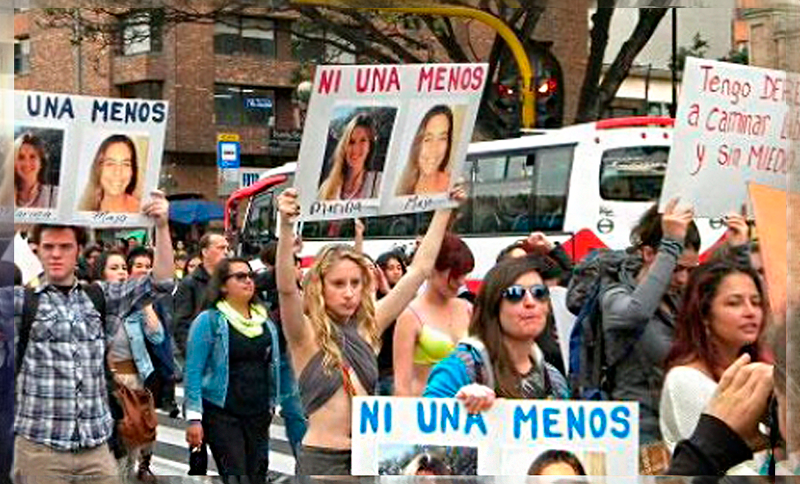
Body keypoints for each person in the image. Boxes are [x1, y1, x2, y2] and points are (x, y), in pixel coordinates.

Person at [276, 185, 462, 475]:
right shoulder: (305, 333)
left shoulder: (368, 325)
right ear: (319, 286)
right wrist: (286, 226)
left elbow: (419, 271)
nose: (349, 293)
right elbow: (287, 289)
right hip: (322, 459)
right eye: (338, 284)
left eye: (355, 283)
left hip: (368, 457)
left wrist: (443, 208)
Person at [11, 192, 174, 484]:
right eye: (49, 247)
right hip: (41, 449)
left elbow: (161, 282)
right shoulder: (18, 302)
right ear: (37, 251)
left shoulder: (102, 296)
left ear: (78, 251)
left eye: (65, 246)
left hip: (95, 449)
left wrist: (162, 226)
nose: (56, 254)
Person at [596, 199, 700, 444]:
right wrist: (670, 247)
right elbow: (636, 313)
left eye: (690, 270)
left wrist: (738, 251)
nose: (683, 279)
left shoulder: (677, 300)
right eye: (676, 268)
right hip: (638, 435)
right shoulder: (615, 295)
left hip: (680, 429)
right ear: (649, 254)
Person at [660, 260, 768, 470]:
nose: (750, 312)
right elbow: (718, 465)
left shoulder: (755, 372)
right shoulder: (684, 380)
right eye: (734, 303)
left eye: (756, 302)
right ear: (704, 314)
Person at [183, 258, 283, 484]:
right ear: (222, 285)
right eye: (240, 277)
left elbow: (273, 364)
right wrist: (194, 419)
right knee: (235, 475)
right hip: (222, 412)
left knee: (257, 474)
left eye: (250, 276)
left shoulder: (264, 320)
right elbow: (193, 371)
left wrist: (273, 402)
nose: (248, 281)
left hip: (258, 411)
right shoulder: (209, 321)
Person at [424, 256, 570, 408]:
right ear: (493, 305)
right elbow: (424, 416)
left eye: (539, 292)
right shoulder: (461, 368)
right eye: (515, 293)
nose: (530, 302)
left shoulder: (554, 380)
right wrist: (458, 404)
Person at [93, 249, 162, 484]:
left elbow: (157, 337)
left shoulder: (134, 306)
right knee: (115, 449)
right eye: (114, 268)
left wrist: (146, 305)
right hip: (109, 384)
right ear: (101, 273)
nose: (121, 272)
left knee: (135, 441)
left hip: (135, 381)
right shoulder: (93, 305)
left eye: (124, 268)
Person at [393, 233, 474, 396]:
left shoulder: (468, 309)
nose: (461, 282)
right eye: (454, 275)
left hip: (466, 406)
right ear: (432, 269)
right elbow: (402, 385)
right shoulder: (409, 316)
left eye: (464, 274)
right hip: (425, 406)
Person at [174, 233, 229, 359]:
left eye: (227, 248)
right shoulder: (190, 283)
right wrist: (194, 354)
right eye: (221, 248)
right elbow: (181, 324)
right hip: (204, 351)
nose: (226, 252)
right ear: (205, 252)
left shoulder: (230, 279)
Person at [318, 113, 381, 201]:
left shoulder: (379, 183)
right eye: (351, 142)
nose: (356, 148)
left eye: (363, 141)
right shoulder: (326, 188)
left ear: (370, 147)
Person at [395, 105, 454, 196]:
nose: (434, 149)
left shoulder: (453, 187)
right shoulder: (402, 191)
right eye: (427, 139)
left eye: (442, 138)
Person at [79, 134, 141, 213]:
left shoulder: (141, 211)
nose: (118, 172)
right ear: (98, 169)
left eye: (126, 164)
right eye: (110, 164)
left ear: (133, 171)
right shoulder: (84, 210)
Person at [375, 250, 408, 396]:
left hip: (395, 371)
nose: (396, 272)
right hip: (377, 369)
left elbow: (407, 317)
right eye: (391, 268)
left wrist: (388, 291)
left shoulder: (409, 297)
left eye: (399, 268)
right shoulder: (374, 298)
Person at [13, 132, 58, 209]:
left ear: (41, 163)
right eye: (21, 157)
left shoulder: (55, 196)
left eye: (32, 157)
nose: (27, 163)